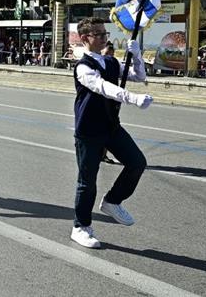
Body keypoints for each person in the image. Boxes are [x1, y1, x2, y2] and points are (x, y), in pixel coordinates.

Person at [70, 17, 152, 249]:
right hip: (89, 130)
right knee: (87, 181)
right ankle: (81, 227)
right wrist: (132, 98)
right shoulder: (83, 67)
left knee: (137, 162)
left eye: (105, 33)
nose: (105, 38)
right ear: (85, 39)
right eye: (99, 34)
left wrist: (136, 54)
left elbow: (139, 76)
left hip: (111, 126)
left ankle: (112, 201)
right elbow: (103, 88)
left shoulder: (110, 62)